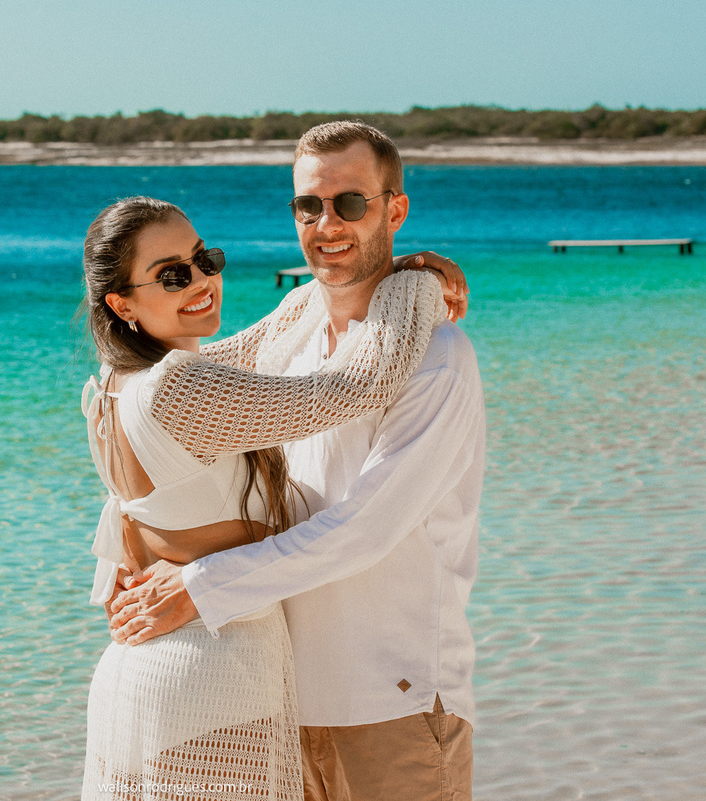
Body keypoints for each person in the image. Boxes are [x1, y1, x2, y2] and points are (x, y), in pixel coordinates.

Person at [108, 122, 486, 801]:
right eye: (309, 205)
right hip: (275, 698)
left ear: (395, 210)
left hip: (391, 699)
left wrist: (200, 586)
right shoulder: (292, 337)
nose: (327, 224)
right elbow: (164, 443)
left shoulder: (437, 359)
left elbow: (365, 529)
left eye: (351, 203)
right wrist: (128, 556)